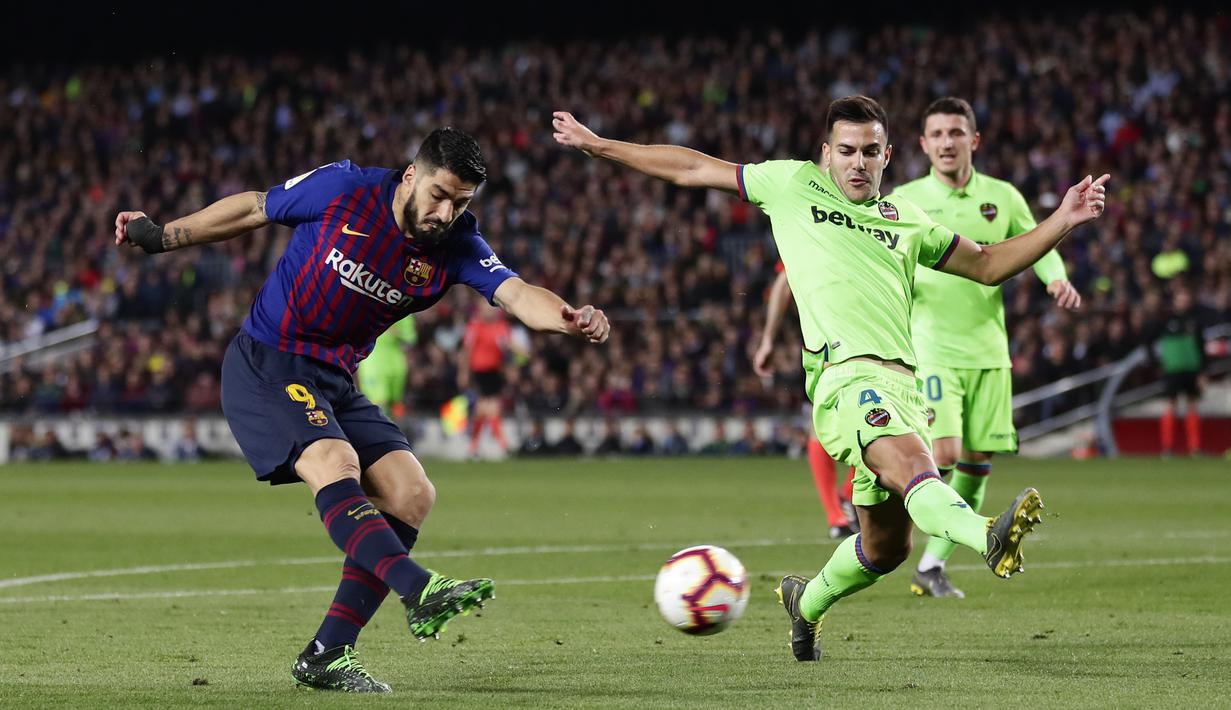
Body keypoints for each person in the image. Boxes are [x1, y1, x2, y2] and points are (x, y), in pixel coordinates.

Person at [553, 96, 1107, 661]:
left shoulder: (907, 220)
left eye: (870, 152)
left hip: (904, 386)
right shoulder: (792, 185)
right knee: (920, 465)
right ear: (826, 153)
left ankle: (806, 602)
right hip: (845, 380)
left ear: (888, 155)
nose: (858, 163)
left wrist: (1062, 219)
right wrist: (599, 144)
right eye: (846, 151)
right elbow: (694, 166)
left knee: (885, 549)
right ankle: (986, 534)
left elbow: (988, 265)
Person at [114, 127, 610, 691]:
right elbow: (254, 208)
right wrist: (160, 237)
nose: (446, 212)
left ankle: (328, 653)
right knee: (334, 459)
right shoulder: (342, 189)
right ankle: (417, 587)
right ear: (410, 177)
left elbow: (517, 292)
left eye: (462, 202)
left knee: (412, 492)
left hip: (333, 380)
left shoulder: (457, 246)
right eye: (440, 195)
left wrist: (569, 316)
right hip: (268, 361)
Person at [889, 97, 1082, 599]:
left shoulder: (1002, 196)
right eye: (937, 134)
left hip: (989, 351)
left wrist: (1055, 279)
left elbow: (1039, 240)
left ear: (972, 141)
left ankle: (931, 568)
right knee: (946, 452)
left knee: (977, 462)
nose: (947, 142)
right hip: (930, 346)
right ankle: (894, 510)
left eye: (956, 133)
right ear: (923, 145)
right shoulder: (905, 199)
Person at [754, 262, 858, 539]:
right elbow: (783, 281)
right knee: (823, 420)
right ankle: (836, 513)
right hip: (830, 338)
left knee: (881, 420)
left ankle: (846, 496)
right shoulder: (810, 226)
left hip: (874, 330)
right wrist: (768, 339)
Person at [1156, 284, 1208, 456]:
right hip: (1173, 370)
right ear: (1175, 301)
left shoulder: (1196, 322)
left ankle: (1194, 448)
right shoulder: (1166, 321)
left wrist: (1202, 372)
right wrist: (1158, 363)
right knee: (1171, 404)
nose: (1183, 301)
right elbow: (1150, 342)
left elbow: (1202, 349)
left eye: (1185, 298)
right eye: (1180, 298)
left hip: (1191, 370)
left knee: (1192, 405)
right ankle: (1167, 448)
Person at [460, 305, 516, 458]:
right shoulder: (475, 326)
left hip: (496, 372)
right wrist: (464, 372)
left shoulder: (501, 327)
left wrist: (511, 368)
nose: (489, 311)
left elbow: (507, 350)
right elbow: (467, 350)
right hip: (480, 372)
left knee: (482, 409)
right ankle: (503, 445)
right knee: (491, 407)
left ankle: (473, 447)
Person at [357, 315, 417, 418]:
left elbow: (410, 339)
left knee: (396, 404)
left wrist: (397, 332)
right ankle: (376, 431)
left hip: (396, 365)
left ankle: (397, 430)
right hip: (373, 364)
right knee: (377, 404)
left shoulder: (404, 310)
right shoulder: (365, 303)